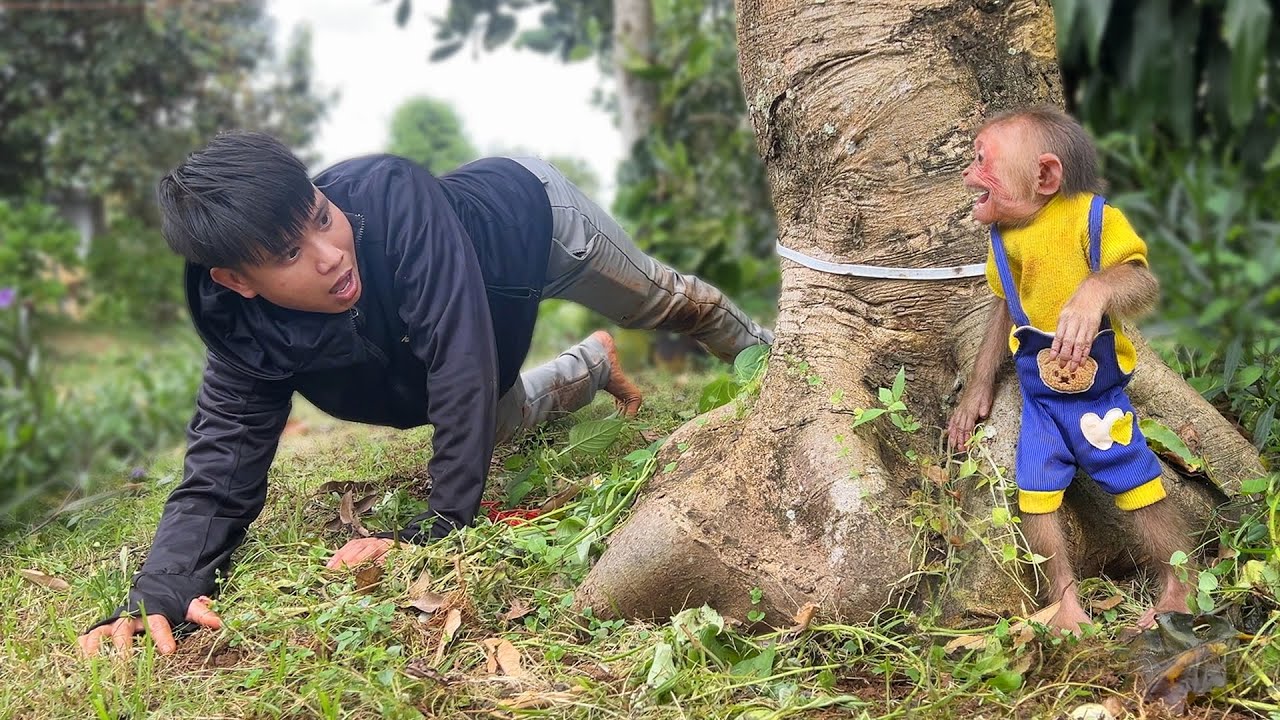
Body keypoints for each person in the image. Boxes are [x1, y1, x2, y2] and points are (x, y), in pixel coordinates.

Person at [77, 131, 773, 655]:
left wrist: (435, 527)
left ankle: (776, 360)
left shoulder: (391, 197)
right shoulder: (243, 334)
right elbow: (220, 466)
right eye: (290, 253)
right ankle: (589, 366)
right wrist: (162, 589)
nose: (330, 252)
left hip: (537, 225)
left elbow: (460, 361)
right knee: (494, 424)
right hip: (479, 330)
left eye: (320, 216)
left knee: (660, 300)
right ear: (237, 282)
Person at [946, 106, 1192, 634]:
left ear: (1045, 176)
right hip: (1041, 399)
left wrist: (1096, 288)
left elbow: (1141, 281)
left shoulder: (1092, 218)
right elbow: (1005, 308)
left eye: (983, 161)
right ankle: (1063, 599)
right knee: (1035, 495)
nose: (968, 174)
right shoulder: (1005, 237)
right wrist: (978, 385)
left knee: (1138, 483)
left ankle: (1178, 587)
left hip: (1099, 397)